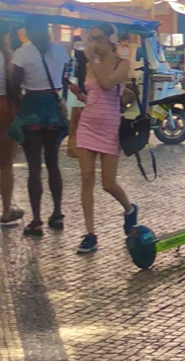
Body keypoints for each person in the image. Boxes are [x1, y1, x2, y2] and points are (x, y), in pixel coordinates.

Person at [69, 24, 137, 254]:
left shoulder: (122, 63)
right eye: (91, 38)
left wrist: (93, 61)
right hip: (87, 125)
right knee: (86, 177)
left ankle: (129, 209)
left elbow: (108, 84)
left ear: (111, 39)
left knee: (108, 184)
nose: (94, 43)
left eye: (98, 38)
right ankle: (90, 233)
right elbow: (93, 95)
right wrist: (79, 96)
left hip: (109, 128)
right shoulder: (90, 65)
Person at [8, 16, 70, 237]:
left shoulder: (23, 52)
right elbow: (63, 77)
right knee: (53, 164)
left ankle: (36, 221)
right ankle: (57, 214)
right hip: (53, 108)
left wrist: (21, 106)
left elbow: (14, 84)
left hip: (32, 106)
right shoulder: (60, 51)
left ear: (30, 32)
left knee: (34, 167)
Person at [0, 23, 21, 225]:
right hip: (2, 107)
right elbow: (14, 85)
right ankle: (6, 210)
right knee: (5, 164)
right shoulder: (8, 55)